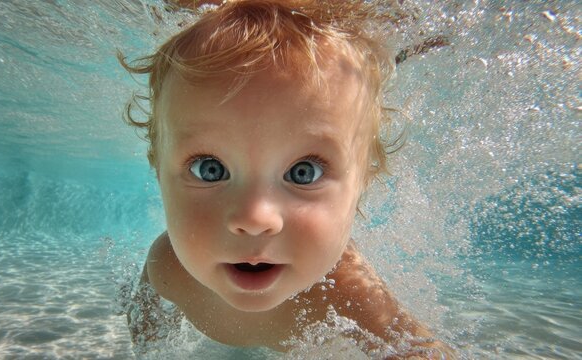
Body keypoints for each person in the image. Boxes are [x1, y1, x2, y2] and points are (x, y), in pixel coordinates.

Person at [120, 0, 454, 358]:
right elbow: (146, 322)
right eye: (209, 168)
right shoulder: (167, 266)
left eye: (303, 173)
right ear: (158, 170)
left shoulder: (348, 293)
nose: (254, 218)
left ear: (364, 181)